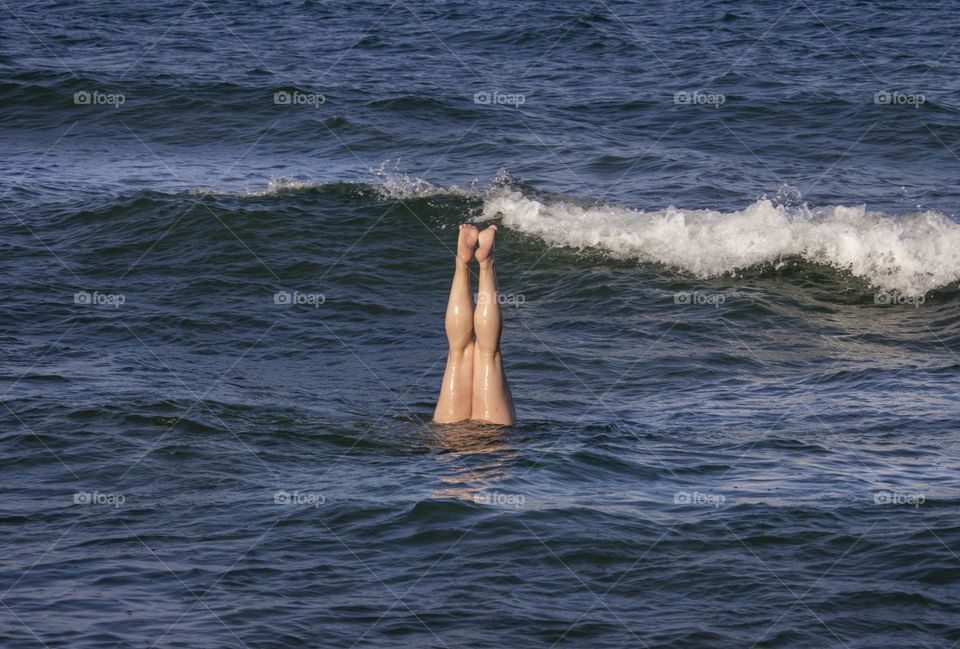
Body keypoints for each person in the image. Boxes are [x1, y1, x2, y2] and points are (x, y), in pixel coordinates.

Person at [433, 224, 516, 425]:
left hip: (452, 440)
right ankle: (485, 264)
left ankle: (462, 262)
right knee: (486, 354)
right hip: (491, 437)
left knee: (460, 351)